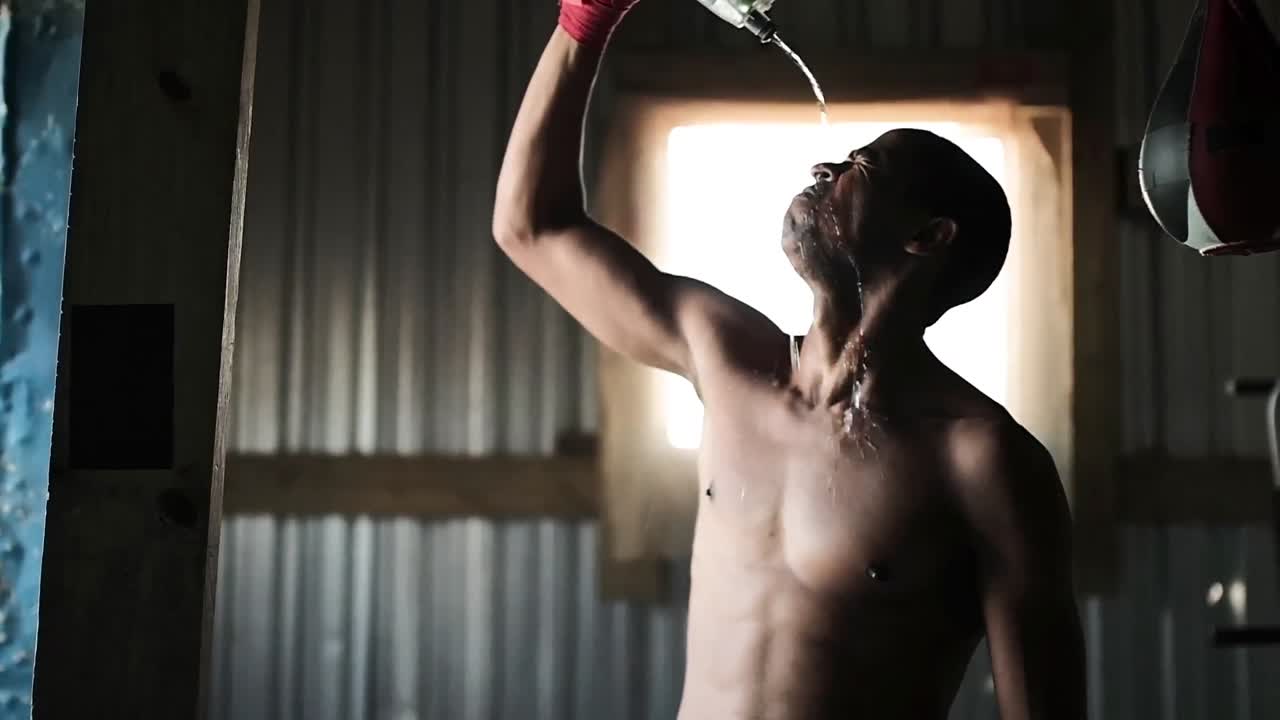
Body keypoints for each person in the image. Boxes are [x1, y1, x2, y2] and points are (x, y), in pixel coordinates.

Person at [492, 2, 1087, 717]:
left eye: (862, 166)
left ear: (929, 236)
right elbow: (531, 227)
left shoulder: (983, 462)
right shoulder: (730, 362)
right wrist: (586, 20)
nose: (823, 167)